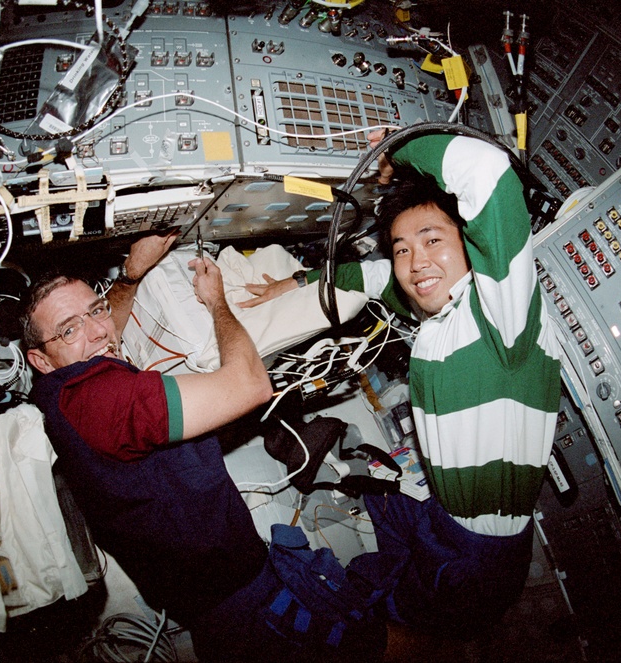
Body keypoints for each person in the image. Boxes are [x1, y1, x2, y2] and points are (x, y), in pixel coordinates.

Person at [241, 131, 563, 645]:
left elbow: (487, 171)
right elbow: (372, 278)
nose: (416, 262)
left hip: (476, 555)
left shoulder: (503, 318)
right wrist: (298, 281)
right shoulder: (439, 308)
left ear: (472, 244)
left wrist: (399, 149)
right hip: (444, 512)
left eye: (433, 240)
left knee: (400, 631)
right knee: (379, 505)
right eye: (403, 249)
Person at [21, 231, 273, 652]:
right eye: (68, 329)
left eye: (95, 310)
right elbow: (252, 385)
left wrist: (131, 275)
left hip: (198, 593)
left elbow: (103, 336)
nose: (98, 330)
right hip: (239, 595)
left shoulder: (61, 390)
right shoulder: (107, 403)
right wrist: (216, 301)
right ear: (40, 360)